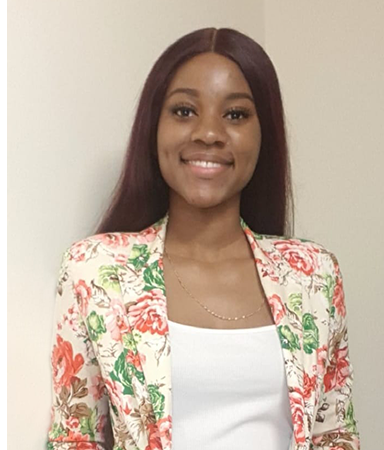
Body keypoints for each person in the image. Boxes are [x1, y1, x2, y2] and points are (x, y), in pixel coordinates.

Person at [47, 28, 358, 450]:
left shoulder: (314, 275)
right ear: (153, 127)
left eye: (235, 115)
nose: (209, 132)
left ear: (264, 133)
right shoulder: (95, 270)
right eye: (184, 111)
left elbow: (334, 434)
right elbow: (73, 437)